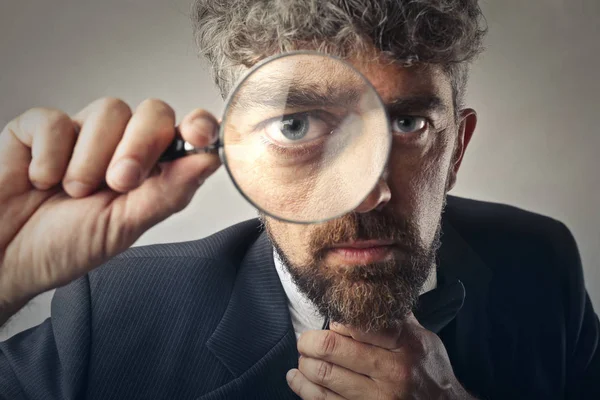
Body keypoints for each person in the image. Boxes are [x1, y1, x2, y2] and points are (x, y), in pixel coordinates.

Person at [0, 0, 598, 399]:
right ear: (242, 151)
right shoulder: (118, 309)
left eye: (408, 124)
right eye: (297, 126)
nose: (368, 191)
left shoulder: (540, 264)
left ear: (458, 149)